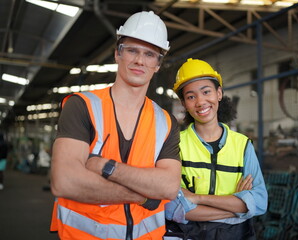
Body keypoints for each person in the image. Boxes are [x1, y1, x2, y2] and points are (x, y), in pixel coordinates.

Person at [50, 11, 181, 240]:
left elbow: (168, 187)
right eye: (132, 50)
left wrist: (106, 167)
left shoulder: (166, 122)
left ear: (158, 64)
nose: (140, 60)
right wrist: (141, 196)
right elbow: (65, 181)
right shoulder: (82, 106)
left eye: (150, 54)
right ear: (117, 54)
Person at [165, 58, 268, 240]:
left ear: (219, 93)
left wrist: (198, 198)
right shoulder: (175, 145)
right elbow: (173, 207)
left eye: (206, 92)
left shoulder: (243, 145)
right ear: (183, 103)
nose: (200, 101)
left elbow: (259, 202)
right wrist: (238, 205)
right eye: (191, 96)